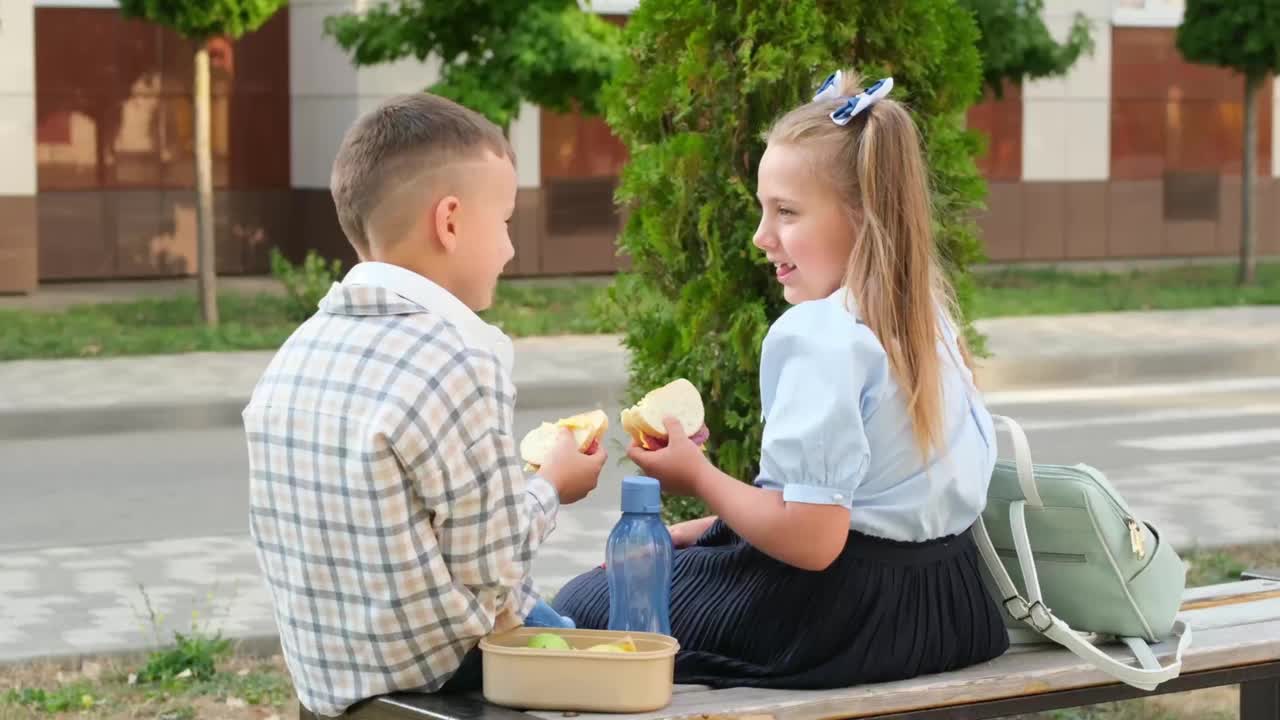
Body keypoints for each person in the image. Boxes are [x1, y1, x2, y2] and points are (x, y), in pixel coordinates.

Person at [553, 70, 1009, 689]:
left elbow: (814, 541)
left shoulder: (820, 334)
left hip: (835, 624)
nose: (761, 238)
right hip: (952, 609)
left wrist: (697, 477)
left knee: (583, 603)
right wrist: (709, 530)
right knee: (678, 556)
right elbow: (868, 506)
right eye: (763, 210)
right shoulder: (929, 320)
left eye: (787, 213)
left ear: (863, 215)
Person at [243, 92, 607, 717]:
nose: (511, 249)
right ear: (450, 222)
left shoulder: (296, 353)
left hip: (326, 673)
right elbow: (492, 565)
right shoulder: (460, 360)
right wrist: (552, 486)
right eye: (506, 223)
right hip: (435, 672)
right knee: (599, 641)